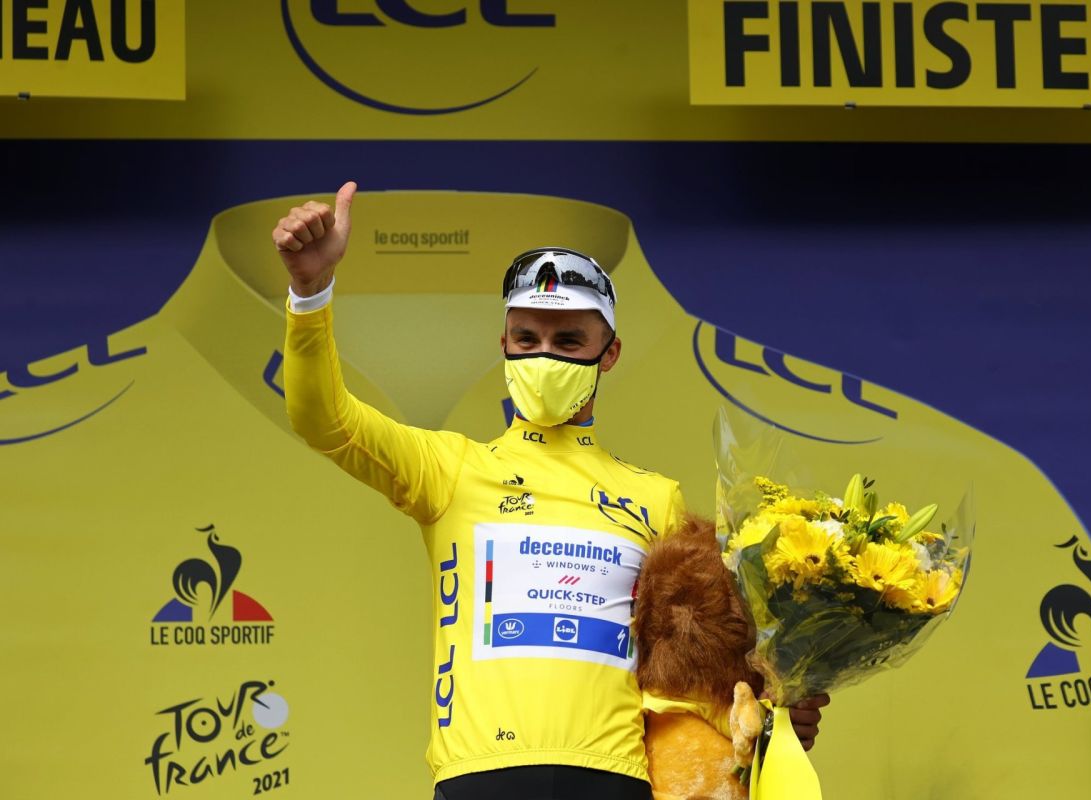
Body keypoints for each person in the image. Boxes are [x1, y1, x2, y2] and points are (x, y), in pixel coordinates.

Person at [274, 181, 829, 799]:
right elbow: (323, 418)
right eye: (527, 339)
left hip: (614, 778)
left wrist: (770, 718)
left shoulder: (656, 498)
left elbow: (686, 676)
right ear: (504, 345)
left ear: (608, 354)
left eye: (568, 342)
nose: (545, 356)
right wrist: (310, 291)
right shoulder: (451, 470)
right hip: (481, 776)